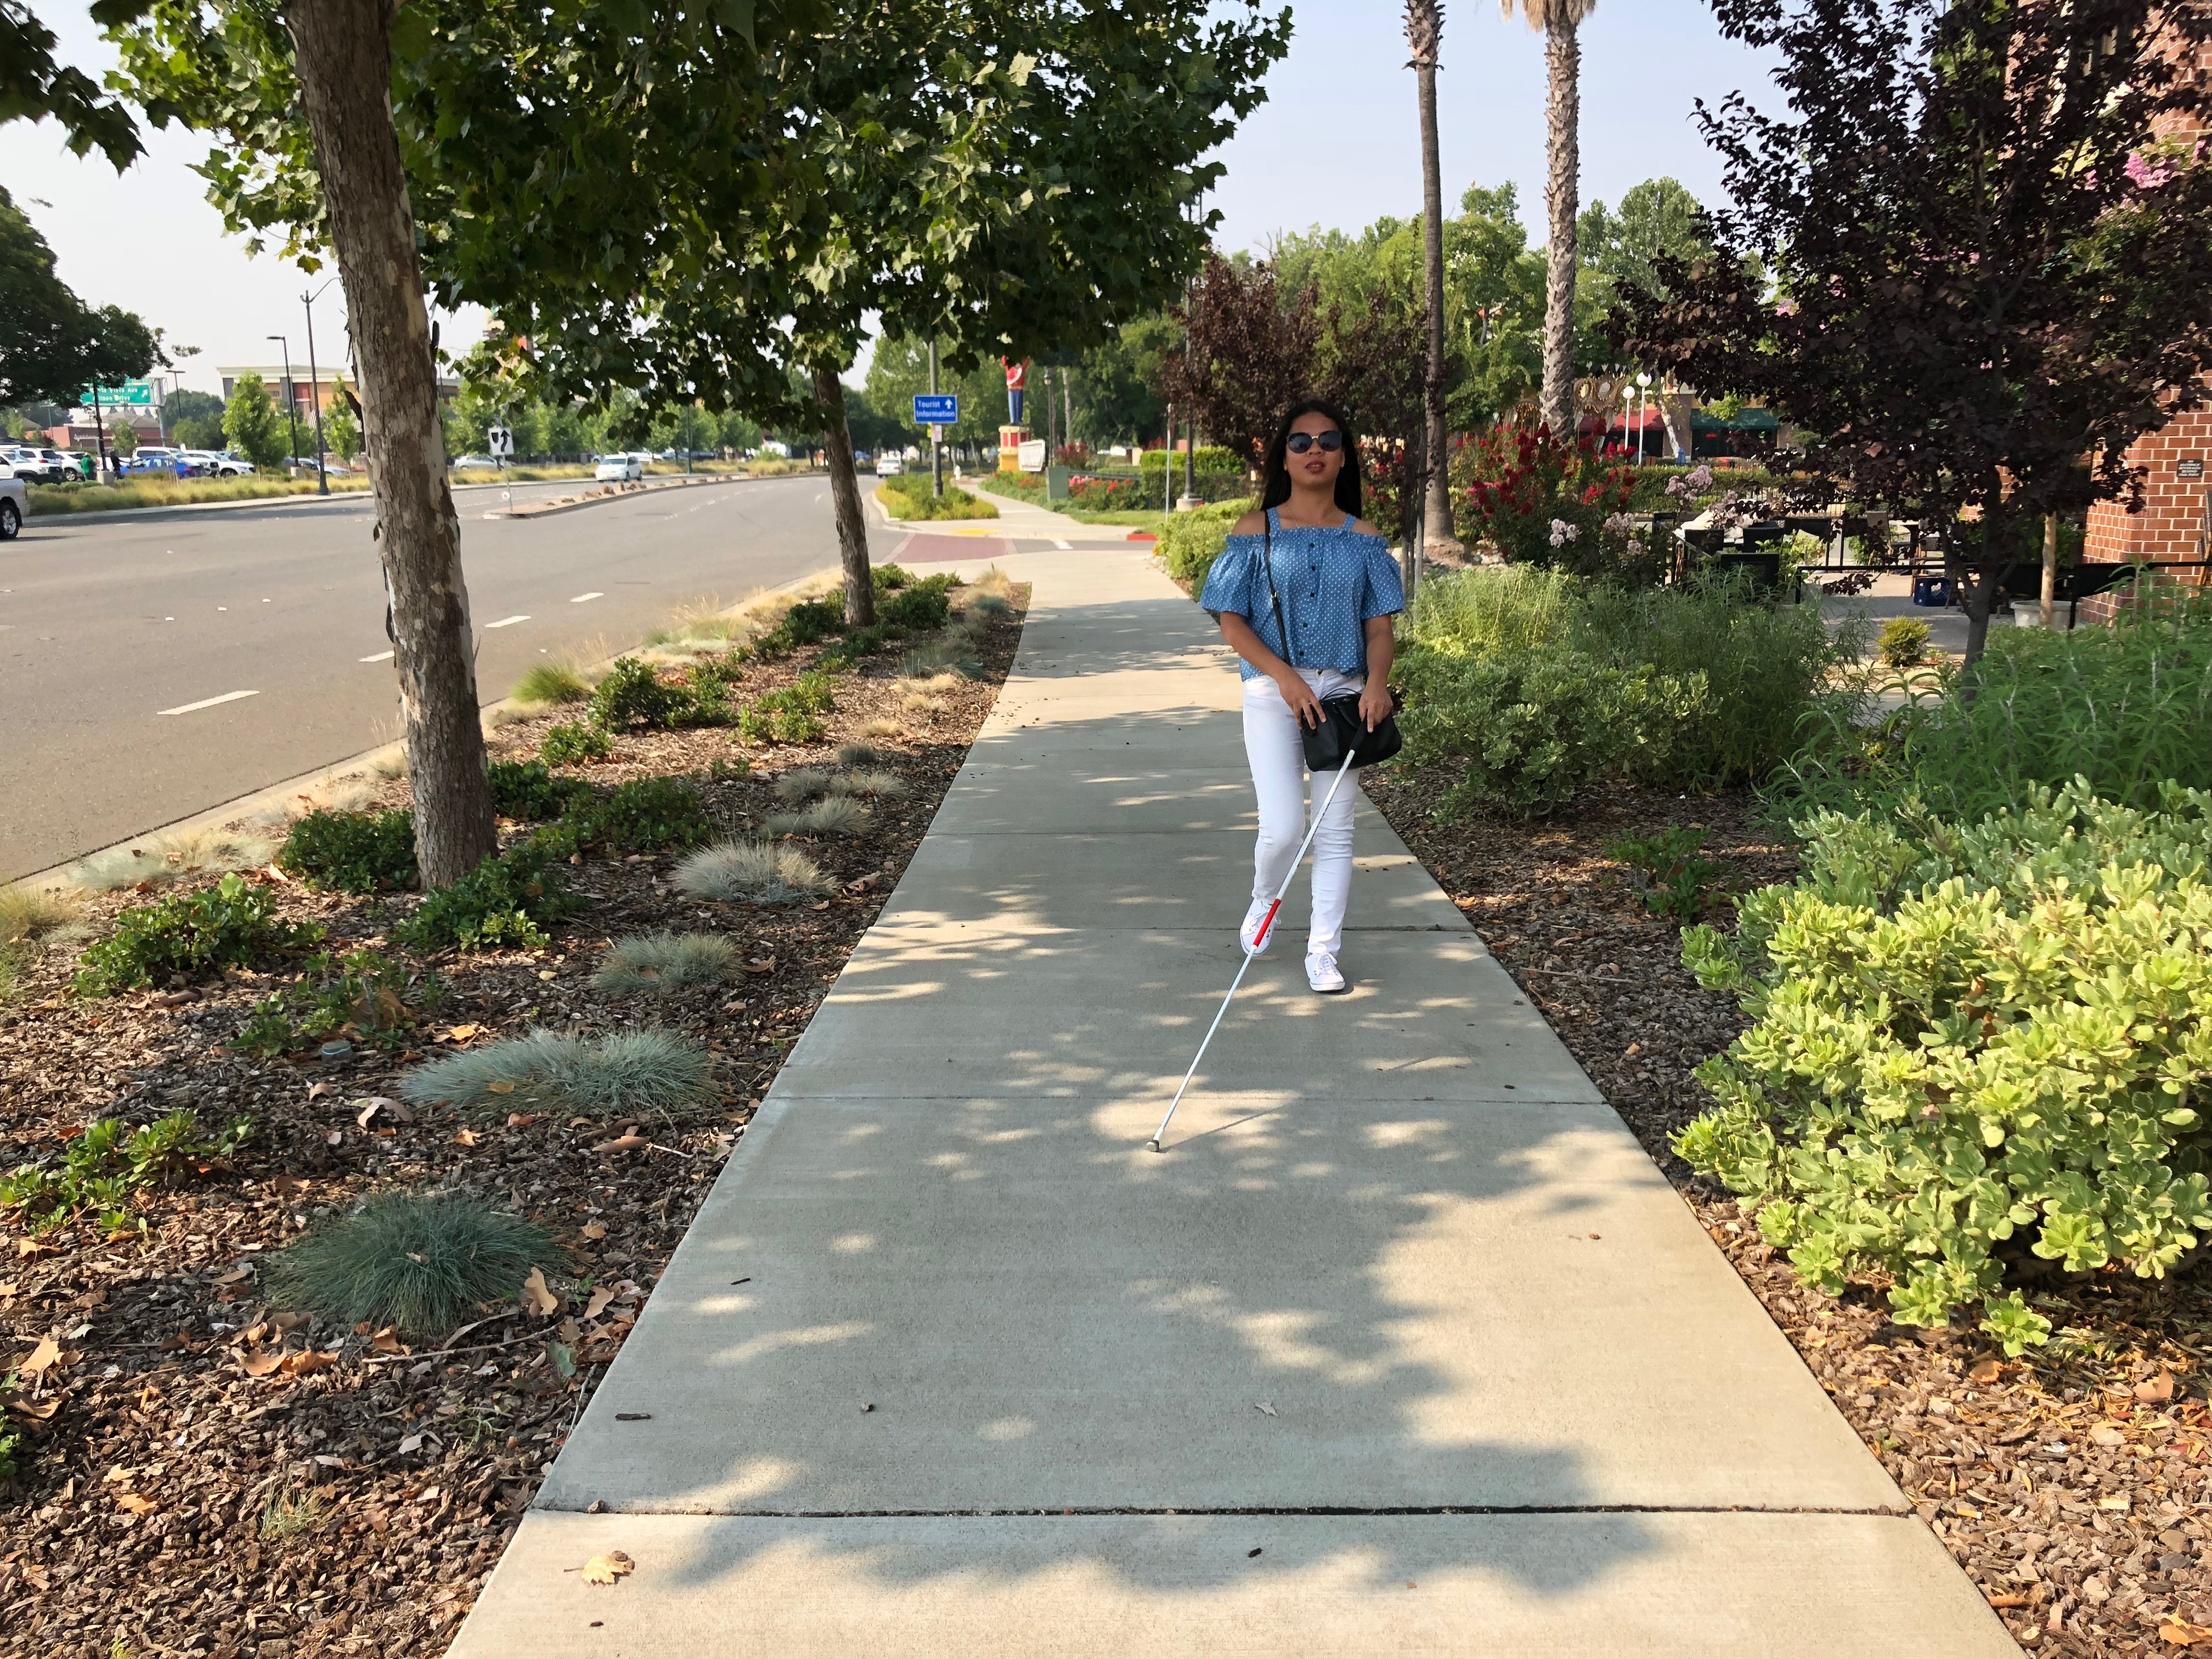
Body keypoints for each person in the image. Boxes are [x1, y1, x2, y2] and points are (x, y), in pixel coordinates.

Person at [1198, 399, 1404, 995]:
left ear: (1345, 457)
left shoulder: (1366, 541)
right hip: (1270, 689)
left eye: (1328, 440)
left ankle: (1323, 953)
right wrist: (1284, 677)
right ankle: (1266, 900)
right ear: (1282, 458)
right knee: (1284, 828)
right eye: (1301, 441)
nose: (1315, 450)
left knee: (1336, 831)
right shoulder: (1252, 532)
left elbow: (1379, 630)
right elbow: (1231, 622)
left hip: (1342, 694)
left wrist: (1377, 683)